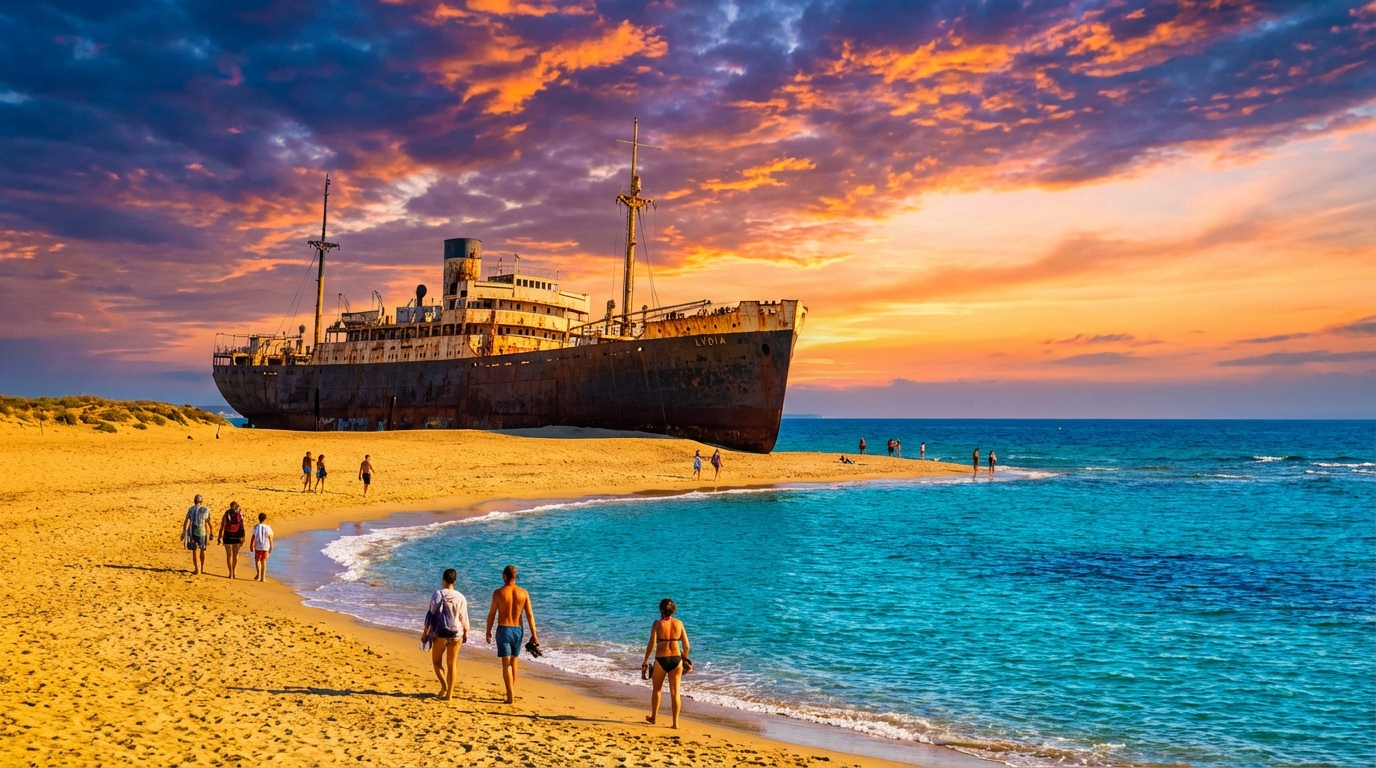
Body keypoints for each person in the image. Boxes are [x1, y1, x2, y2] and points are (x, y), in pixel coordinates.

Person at [485, 565, 538, 705]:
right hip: (518, 630)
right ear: (515, 576)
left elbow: (491, 615)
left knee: (506, 665)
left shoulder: (498, 593)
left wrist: (488, 631)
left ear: (504, 576)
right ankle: (511, 691)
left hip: (504, 629)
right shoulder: (524, 593)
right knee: (514, 661)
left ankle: (510, 696)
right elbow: (530, 616)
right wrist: (534, 635)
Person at [641, 598, 691, 729]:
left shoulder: (657, 624)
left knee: (657, 690)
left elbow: (652, 644)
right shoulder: (679, 623)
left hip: (661, 660)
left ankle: (653, 718)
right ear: (673, 610)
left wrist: (646, 660)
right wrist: (685, 658)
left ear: (661, 609)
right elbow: (686, 645)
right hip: (676, 660)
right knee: (675, 693)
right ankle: (675, 723)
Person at [422, 568, 470, 700]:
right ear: (454, 581)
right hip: (456, 633)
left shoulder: (437, 594)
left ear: (443, 580)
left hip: (440, 633)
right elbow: (463, 618)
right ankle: (449, 694)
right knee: (452, 664)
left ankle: (444, 686)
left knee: (436, 662)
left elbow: (431, 614)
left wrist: (425, 632)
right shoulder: (461, 597)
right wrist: (465, 633)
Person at [181, 494, 213, 575]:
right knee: (202, 550)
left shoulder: (191, 509)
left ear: (194, 501)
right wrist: (210, 532)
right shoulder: (206, 509)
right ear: (201, 502)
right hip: (202, 531)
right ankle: (202, 568)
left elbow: (186, 522)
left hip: (193, 531)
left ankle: (196, 569)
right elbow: (207, 523)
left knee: (194, 551)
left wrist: (184, 532)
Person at [218, 501, 247, 579]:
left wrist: (219, 536)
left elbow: (222, 525)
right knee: (235, 555)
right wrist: (243, 537)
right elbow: (242, 526)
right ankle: (234, 572)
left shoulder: (227, 513)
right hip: (237, 536)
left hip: (227, 535)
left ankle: (230, 573)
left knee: (229, 555)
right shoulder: (240, 514)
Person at [250, 513, 274, 581]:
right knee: (263, 561)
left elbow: (253, 537)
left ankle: (258, 574)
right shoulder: (268, 527)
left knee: (257, 560)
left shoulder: (256, 527)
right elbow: (270, 537)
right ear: (265, 519)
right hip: (265, 546)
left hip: (258, 546)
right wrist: (271, 545)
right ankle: (263, 578)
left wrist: (251, 545)